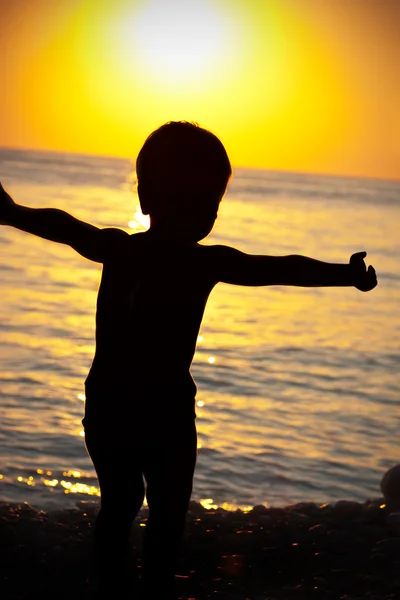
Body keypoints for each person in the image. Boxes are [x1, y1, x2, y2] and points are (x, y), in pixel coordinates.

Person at [0, 121, 377, 598]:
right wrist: (11, 213)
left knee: (147, 507)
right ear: (147, 197)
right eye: (190, 198)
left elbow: (280, 267)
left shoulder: (165, 256)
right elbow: (61, 224)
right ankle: (125, 586)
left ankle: (138, 587)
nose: (200, 212)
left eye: (209, 202)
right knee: (140, 505)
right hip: (136, 410)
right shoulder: (148, 253)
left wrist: (344, 275)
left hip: (147, 410)